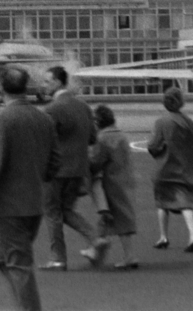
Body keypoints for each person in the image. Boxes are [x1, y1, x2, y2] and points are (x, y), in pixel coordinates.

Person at [0, 66, 60, 311]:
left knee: (17, 265)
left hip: (8, 207)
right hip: (34, 204)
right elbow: (54, 163)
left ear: (0, 87)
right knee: (3, 260)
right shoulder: (44, 118)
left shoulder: (2, 120)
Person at [40, 65, 97, 270]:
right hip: (79, 169)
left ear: (57, 82)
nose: (43, 85)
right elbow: (92, 138)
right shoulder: (83, 107)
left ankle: (58, 258)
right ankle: (95, 238)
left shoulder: (52, 109)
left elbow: (42, 141)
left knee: (52, 212)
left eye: (47, 81)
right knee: (65, 210)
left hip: (56, 170)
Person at [147, 86, 193, 253]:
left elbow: (154, 145)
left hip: (165, 167)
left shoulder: (161, 122)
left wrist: (156, 150)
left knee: (162, 202)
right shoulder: (188, 122)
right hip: (184, 167)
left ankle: (163, 237)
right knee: (185, 204)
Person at [83, 105, 139, 270]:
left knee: (114, 216)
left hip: (111, 182)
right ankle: (94, 249)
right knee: (116, 216)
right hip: (127, 179)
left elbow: (97, 161)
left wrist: (86, 160)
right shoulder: (121, 135)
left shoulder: (103, 138)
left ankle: (129, 256)